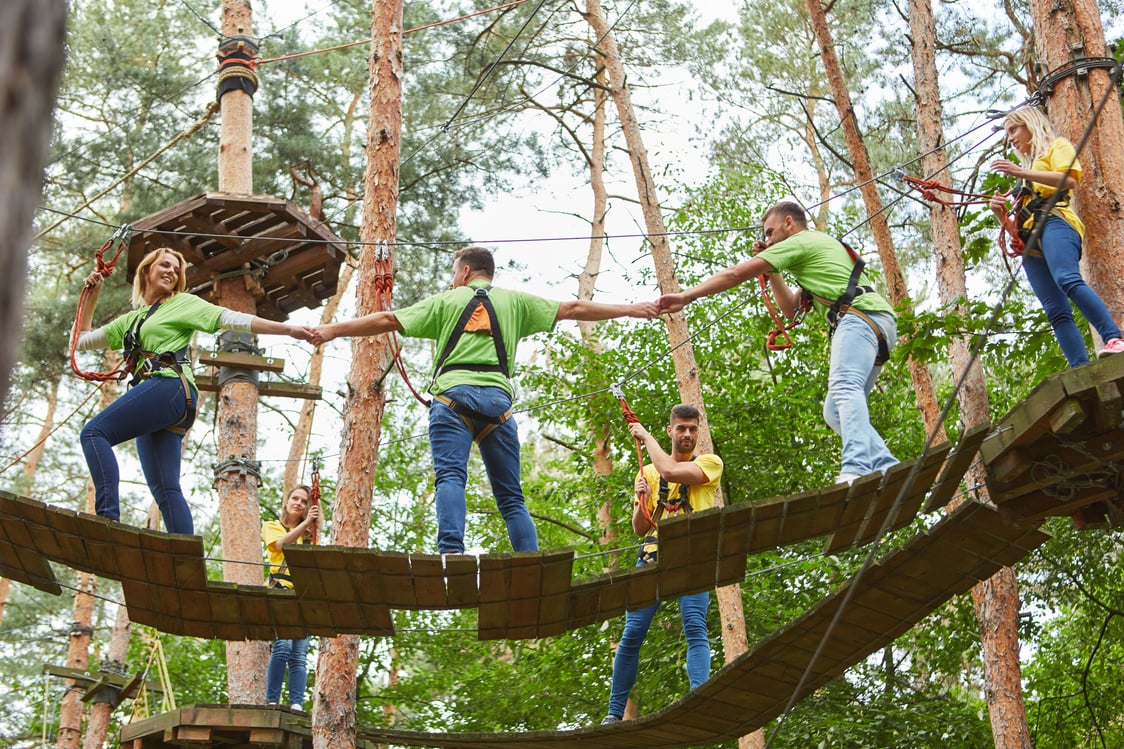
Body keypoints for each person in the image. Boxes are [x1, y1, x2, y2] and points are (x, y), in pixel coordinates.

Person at [309, 245, 657, 554]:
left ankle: (451, 554)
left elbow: (386, 318)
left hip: (452, 400)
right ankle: (530, 562)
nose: (451, 281)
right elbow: (573, 307)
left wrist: (331, 331)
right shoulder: (516, 301)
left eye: (453, 274)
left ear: (464, 271)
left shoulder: (446, 301)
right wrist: (631, 308)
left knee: (450, 477)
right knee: (511, 497)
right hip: (498, 406)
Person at [74, 246, 313, 534]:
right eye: (164, 265)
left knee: (94, 433)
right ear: (147, 271)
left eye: (176, 270)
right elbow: (81, 340)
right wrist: (93, 295)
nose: (171, 272)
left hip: (169, 387)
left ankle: (107, 519)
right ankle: (185, 560)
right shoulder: (130, 321)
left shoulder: (182, 303)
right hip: (166, 399)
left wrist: (288, 330)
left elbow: (231, 318)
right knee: (166, 488)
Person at [657, 201, 898, 484]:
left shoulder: (801, 240)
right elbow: (789, 309)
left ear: (788, 223)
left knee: (845, 387)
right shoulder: (815, 250)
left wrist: (687, 296)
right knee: (834, 411)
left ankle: (856, 466)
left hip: (860, 318)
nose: (768, 240)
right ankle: (885, 464)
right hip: (876, 322)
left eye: (770, 233)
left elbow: (735, 274)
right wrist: (774, 273)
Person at [601, 404, 723, 724]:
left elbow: (671, 472)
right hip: (652, 555)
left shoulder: (710, 463)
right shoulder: (649, 473)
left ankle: (698, 698)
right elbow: (640, 528)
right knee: (632, 633)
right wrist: (641, 498)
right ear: (671, 431)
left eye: (692, 429)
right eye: (681, 428)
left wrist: (645, 435)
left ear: (698, 433)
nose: (687, 434)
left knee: (694, 626)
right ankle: (615, 713)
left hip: (692, 557)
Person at [988, 106, 1124, 366]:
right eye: (1008, 133)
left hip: (1056, 223)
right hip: (1030, 242)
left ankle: (1113, 337)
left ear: (1030, 124)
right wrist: (1001, 213)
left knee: (1067, 278)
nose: (1011, 138)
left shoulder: (1056, 147)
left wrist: (1021, 173)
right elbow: (1016, 229)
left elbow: (1069, 180)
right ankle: (1079, 367)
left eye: (1014, 129)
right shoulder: (1024, 176)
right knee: (1055, 311)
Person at [262, 484, 320, 711]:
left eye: (304, 502)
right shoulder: (272, 526)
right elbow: (279, 545)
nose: (299, 503)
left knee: (299, 655)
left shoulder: (309, 539)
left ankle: (296, 703)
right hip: (280, 591)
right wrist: (306, 523)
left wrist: (309, 526)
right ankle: (272, 700)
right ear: (286, 502)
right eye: (295, 498)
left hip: (303, 597)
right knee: (283, 646)